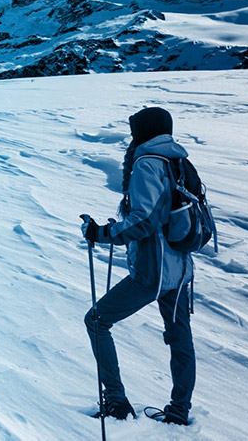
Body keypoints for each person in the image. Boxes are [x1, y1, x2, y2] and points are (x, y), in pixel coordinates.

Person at [81, 106, 195, 425]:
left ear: (144, 131)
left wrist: (102, 233)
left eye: (134, 130)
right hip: (181, 269)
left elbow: (144, 220)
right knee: (180, 337)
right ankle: (179, 411)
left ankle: (116, 402)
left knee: (97, 320)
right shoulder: (178, 160)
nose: (131, 137)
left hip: (152, 272)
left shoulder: (147, 163)